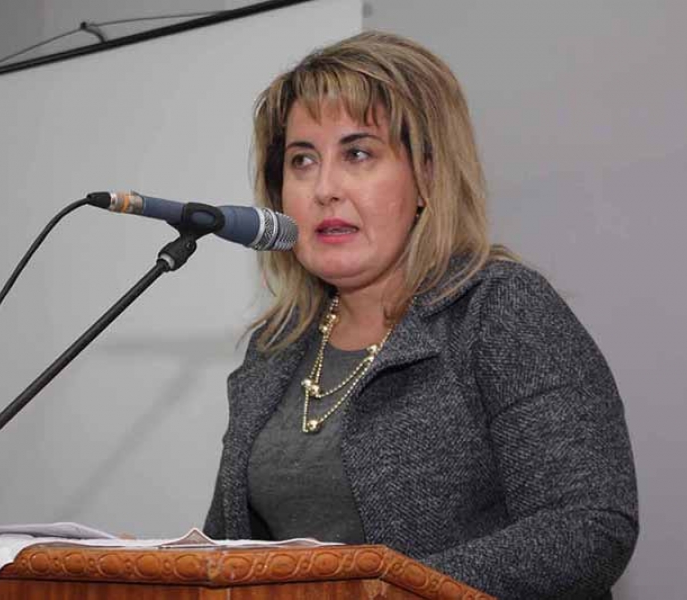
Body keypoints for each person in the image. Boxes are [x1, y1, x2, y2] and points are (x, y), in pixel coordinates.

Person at [204, 31, 637, 599]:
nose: (325, 188)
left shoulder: (498, 310)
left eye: (358, 154)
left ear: (428, 176)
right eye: (302, 161)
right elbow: (227, 551)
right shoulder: (276, 345)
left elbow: (588, 526)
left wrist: (383, 591)